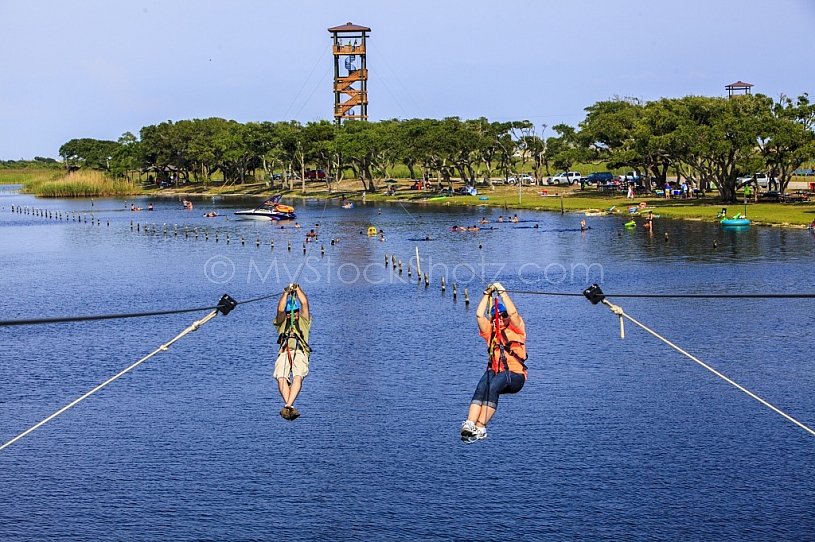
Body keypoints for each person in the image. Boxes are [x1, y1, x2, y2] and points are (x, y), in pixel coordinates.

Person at [460, 282, 527, 442]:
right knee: (482, 387)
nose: (502, 318)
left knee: (494, 385)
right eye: (498, 316)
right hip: (497, 372)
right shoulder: (490, 332)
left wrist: (502, 292)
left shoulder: (517, 329)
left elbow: (514, 313)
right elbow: (478, 315)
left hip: (515, 376)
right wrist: (486, 294)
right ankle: (470, 423)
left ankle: (481, 427)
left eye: (504, 316)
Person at [273, 284, 312, 421]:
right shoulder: (282, 324)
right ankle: (289, 405)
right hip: (285, 352)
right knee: (281, 377)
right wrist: (285, 294)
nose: (292, 315)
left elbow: (305, 303)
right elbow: (279, 310)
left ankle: (289, 405)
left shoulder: (303, 322)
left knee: (297, 376)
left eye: (294, 312)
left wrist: (297, 289)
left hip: (300, 352)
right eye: (289, 313)